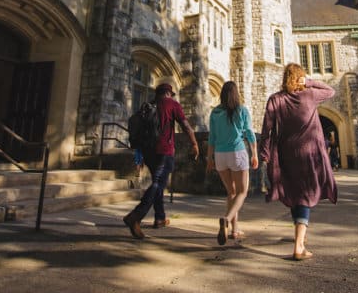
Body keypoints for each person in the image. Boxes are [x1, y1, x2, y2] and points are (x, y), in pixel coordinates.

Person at [259, 63, 337, 261]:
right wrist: (309, 82)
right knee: (304, 196)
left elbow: (266, 129)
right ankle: (299, 245)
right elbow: (330, 90)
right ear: (300, 78)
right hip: (309, 153)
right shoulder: (310, 95)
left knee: (295, 193)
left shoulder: (275, 99)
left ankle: (300, 235)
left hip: (286, 153)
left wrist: (264, 153)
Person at [123, 83, 199, 239]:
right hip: (164, 150)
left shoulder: (150, 105)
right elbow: (185, 125)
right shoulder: (172, 104)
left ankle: (160, 218)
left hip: (148, 152)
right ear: (169, 93)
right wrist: (194, 144)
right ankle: (136, 216)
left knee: (157, 183)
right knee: (158, 183)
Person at [206, 81, 258, 245]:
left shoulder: (215, 112)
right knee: (242, 192)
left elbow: (211, 138)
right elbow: (250, 134)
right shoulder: (241, 110)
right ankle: (227, 219)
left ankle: (234, 230)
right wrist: (254, 154)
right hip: (237, 153)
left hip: (220, 155)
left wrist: (209, 159)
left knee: (231, 192)